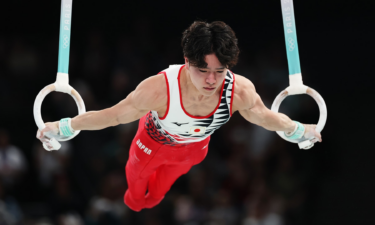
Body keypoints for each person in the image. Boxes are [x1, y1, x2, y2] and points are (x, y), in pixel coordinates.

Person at [36, 21, 322, 212]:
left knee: (159, 192)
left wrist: (299, 130)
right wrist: (63, 126)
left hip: (194, 151)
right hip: (152, 143)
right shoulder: (159, 90)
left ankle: (151, 198)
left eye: (219, 71)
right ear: (187, 62)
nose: (212, 80)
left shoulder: (239, 91)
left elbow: (265, 117)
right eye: (203, 70)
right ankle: (134, 200)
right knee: (136, 190)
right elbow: (111, 116)